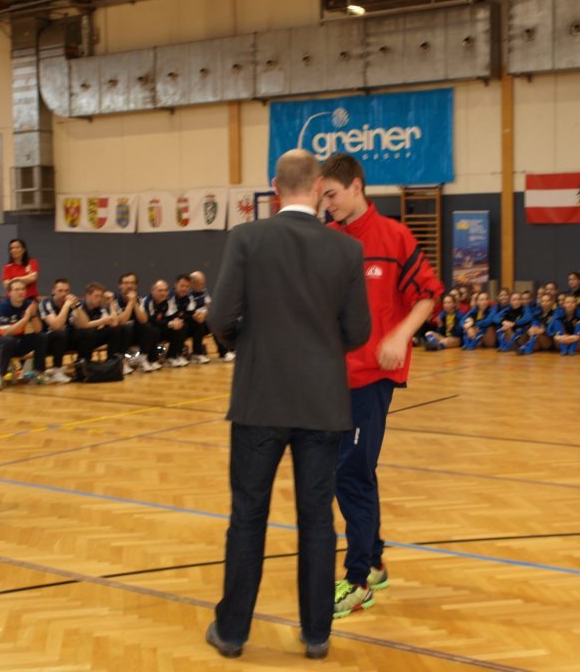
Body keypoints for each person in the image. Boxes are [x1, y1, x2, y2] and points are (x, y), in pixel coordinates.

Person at [206, 149, 371, 660]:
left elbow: (219, 318)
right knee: (317, 519)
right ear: (319, 187)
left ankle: (233, 632)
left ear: (275, 187)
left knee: (248, 516)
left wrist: (250, 345)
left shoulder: (247, 239)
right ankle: (317, 633)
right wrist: (320, 350)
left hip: (259, 399)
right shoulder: (345, 249)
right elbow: (358, 330)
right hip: (321, 404)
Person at [320, 153, 442, 618]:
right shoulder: (328, 240)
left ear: (356, 187)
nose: (328, 204)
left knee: (349, 473)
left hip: (372, 377)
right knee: (355, 470)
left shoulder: (394, 236)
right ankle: (373, 562)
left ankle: (357, 582)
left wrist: (399, 335)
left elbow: (428, 295)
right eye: (322, 197)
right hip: (333, 377)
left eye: (332, 195)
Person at [0, 278, 49, 391]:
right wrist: (25, 319)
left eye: (23, 289)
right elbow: (6, 332)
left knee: (41, 337)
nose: (20, 292)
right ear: (10, 293)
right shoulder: (3, 306)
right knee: (8, 340)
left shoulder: (28, 304)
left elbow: (38, 330)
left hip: (16, 341)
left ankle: (38, 374)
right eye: (17, 289)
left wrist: (33, 315)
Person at [37, 278, 77, 383]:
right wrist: (66, 306)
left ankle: (82, 367)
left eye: (66, 291)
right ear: (53, 291)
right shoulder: (46, 303)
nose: (64, 294)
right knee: (60, 334)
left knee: (85, 333)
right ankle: (57, 370)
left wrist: (77, 307)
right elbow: (56, 326)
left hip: (65, 339)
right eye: (60, 291)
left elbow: (82, 324)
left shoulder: (71, 303)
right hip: (47, 341)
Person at [189, 270, 233, 362]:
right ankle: (197, 354)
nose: (203, 286)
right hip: (192, 323)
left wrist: (205, 312)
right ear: (192, 284)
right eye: (200, 284)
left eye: (203, 283)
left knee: (215, 323)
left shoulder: (204, 291)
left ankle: (224, 352)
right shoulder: (189, 295)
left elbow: (209, 305)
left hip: (204, 320)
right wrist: (203, 313)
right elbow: (194, 313)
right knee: (201, 324)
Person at [141, 279, 187, 367]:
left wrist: (177, 321)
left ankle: (171, 357)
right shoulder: (147, 302)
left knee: (182, 326)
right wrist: (169, 324)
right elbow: (151, 321)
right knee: (154, 329)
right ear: (152, 291)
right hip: (146, 331)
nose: (163, 293)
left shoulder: (167, 301)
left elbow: (173, 315)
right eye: (160, 290)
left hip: (161, 328)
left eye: (165, 290)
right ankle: (152, 360)